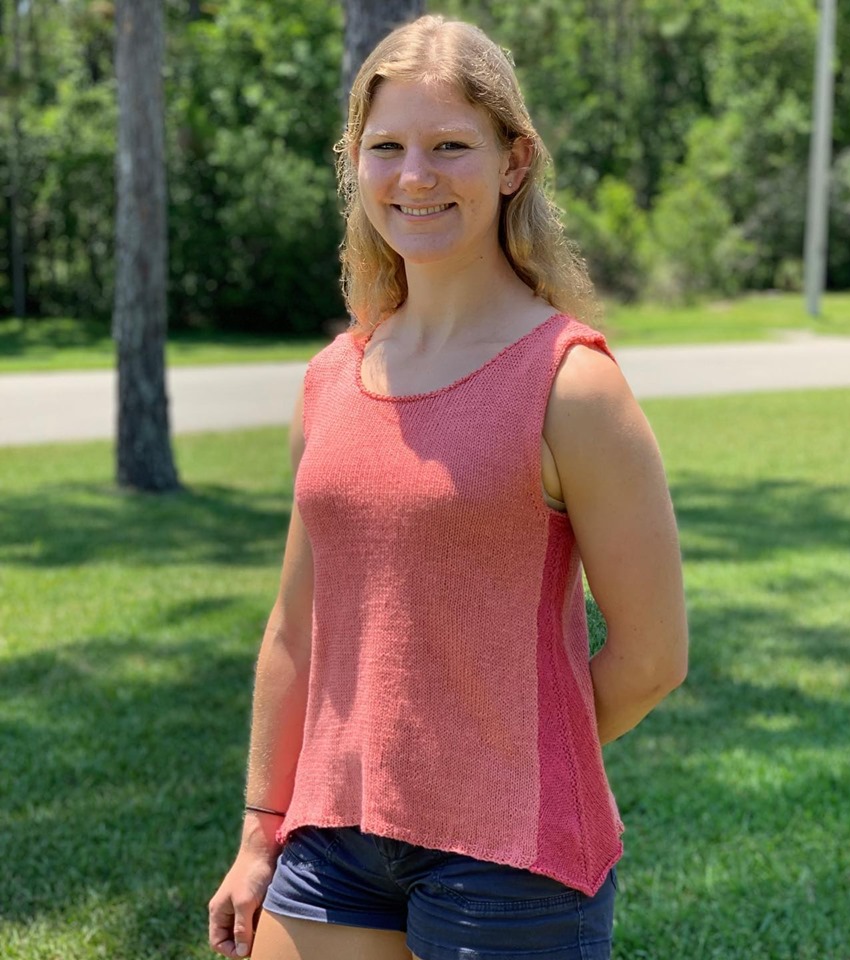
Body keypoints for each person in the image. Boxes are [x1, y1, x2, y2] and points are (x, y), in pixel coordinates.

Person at [208, 14, 687, 960]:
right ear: (354, 164)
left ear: (515, 162)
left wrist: (502, 760)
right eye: (386, 147)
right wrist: (260, 830)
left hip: (509, 862)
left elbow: (652, 654)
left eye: (450, 146)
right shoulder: (330, 378)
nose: (415, 175)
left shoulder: (569, 382)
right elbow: (293, 630)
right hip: (331, 837)